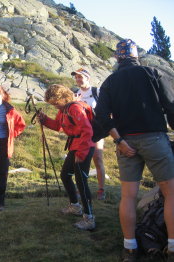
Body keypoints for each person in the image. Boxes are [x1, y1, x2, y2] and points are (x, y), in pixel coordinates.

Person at [95, 39, 174, 262]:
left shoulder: (109, 82)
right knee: (171, 194)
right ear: (135, 55)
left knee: (128, 196)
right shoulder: (152, 73)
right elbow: (171, 106)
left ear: (118, 58)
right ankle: (172, 247)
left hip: (126, 143)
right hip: (154, 139)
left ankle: (129, 248)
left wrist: (118, 140)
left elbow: (101, 116)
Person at [39, 84, 96, 230]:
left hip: (83, 146)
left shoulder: (74, 108)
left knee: (81, 182)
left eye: (56, 103)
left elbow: (87, 131)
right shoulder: (65, 109)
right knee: (65, 175)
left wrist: (81, 153)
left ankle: (89, 219)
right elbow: (58, 126)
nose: (55, 106)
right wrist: (45, 120)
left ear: (64, 98)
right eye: (52, 104)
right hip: (75, 146)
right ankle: (75, 206)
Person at [71, 68, 106, 200]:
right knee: (80, 160)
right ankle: (80, 189)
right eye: (76, 77)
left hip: (96, 131)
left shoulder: (96, 91)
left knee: (98, 159)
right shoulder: (75, 93)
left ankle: (101, 189)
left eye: (80, 77)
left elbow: (105, 108)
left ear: (87, 78)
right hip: (81, 132)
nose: (78, 79)